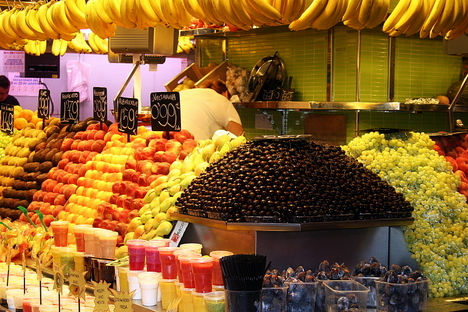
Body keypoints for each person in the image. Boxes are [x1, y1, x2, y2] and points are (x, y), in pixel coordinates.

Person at [179, 79, 244, 140]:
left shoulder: (184, 93)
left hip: (171, 141)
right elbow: (239, 138)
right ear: (226, 93)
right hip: (192, 145)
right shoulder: (222, 100)